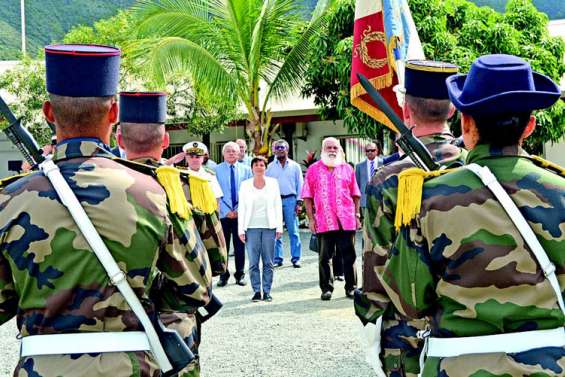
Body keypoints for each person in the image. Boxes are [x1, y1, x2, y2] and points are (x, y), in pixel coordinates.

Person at [0, 44, 211, 377]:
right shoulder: (154, 192)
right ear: (114, 113)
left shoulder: (9, 200)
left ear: (48, 113)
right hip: (129, 367)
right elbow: (194, 290)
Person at [381, 54, 564, 376]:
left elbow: (409, 300)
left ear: (465, 123)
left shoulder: (425, 197)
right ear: (530, 126)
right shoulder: (561, 188)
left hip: (459, 366)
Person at [355, 60, 466, 377]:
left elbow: (376, 265)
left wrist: (368, 318)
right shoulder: (477, 169)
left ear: (405, 111)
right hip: (468, 323)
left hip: (407, 331)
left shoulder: (386, 179)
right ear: (454, 111)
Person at [117, 91, 215, 377]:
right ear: (166, 141)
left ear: (120, 140)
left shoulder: (106, 185)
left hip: (119, 322)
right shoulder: (191, 185)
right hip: (175, 320)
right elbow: (216, 263)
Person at [302, 137, 361, 301]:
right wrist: (311, 219)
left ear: (340, 149)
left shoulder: (347, 168)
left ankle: (351, 287)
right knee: (324, 257)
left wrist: (357, 215)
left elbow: (355, 194)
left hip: (346, 219)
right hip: (323, 220)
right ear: (322, 150)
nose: (332, 150)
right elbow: (307, 196)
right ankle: (326, 289)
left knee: (349, 256)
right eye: (328, 147)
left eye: (335, 147)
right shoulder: (313, 170)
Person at [238, 156, 283, 302]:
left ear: (265, 167)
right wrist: (241, 229)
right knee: (253, 262)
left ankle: (267, 291)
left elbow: (278, 205)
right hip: (251, 227)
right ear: (252, 168)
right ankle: (257, 291)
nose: (259, 167)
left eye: (262, 165)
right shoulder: (245, 185)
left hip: (269, 226)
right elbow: (242, 208)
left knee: (269, 262)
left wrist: (279, 226)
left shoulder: (273, 183)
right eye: (256, 164)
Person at [215, 141, 253, 286]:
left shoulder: (246, 170)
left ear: (239, 153)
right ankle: (223, 275)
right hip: (223, 214)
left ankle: (240, 274)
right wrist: (226, 211)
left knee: (239, 246)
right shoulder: (216, 170)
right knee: (223, 246)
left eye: (234, 151)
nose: (231, 153)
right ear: (223, 153)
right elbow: (215, 193)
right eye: (228, 151)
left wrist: (238, 210)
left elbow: (248, 192)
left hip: (240, 214)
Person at [266, 139, 304, 268]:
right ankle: (277, 258)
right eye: (277, 148)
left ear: (287, 150)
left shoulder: (295, 166)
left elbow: (300, 185)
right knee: (276, 230)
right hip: (275, 201)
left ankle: (296, 258)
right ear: (274, 150)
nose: (280, 150)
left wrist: (299, 202)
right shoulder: (270, 167)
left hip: (290, 200)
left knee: (293, 231)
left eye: (282, 147)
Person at [184, 141, 224, 208]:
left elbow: (217, 199)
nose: (194, 160)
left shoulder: (210, 176)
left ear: (203, 158)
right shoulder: (180, 175)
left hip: (207, 215)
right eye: (191, 157)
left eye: (198, 157)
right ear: (186, 158)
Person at [355, 141, 382, 215]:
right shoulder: (359, 166)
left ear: (377, 151)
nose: (370, 152)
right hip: (365, 201)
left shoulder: (384, 163)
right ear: (365, 152)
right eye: (368, 150)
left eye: (372, 150)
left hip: (381, 200)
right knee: (366, 224)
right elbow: (357, 185)